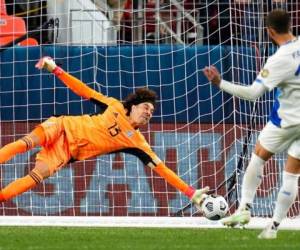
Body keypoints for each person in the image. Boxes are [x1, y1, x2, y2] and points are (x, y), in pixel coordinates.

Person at [0, 56, 209, 210]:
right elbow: (84, 91)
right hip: (63, 126)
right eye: (146, 107)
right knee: (25, 143)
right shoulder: (113, 106)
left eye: (152, 112)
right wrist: (56, 69)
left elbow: (163, 170)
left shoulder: (137, 143)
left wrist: (191, 192)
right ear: (134, 105)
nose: (148, 113)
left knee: (37, 175)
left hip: (66, 152)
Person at [203, 9, 300, 239]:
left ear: (269, 31)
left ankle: (244, 209)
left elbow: (253, 93)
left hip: (285, 121)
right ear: (291, 25)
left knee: (258, 155)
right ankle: (273, 228)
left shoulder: (279, 59)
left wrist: (220, 83)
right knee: (292, 174)